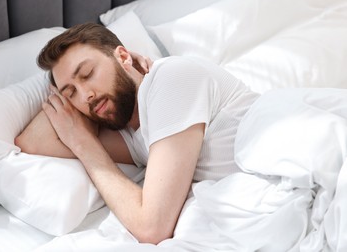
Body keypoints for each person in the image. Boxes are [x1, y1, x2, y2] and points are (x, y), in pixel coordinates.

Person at [15, 22, 260, 244]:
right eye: (71, 93)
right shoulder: (134, 137)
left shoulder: (171, 78)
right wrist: (76, 123)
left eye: (88, 74)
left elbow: (152, 227)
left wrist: (84, 145)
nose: (85, 95)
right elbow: (33, 142)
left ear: (123, 55)